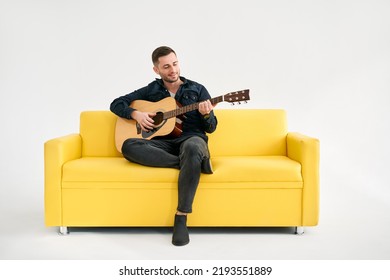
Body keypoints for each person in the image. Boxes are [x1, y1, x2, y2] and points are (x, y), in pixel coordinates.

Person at [110, 46, 218, 246]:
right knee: (128, 146)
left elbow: (210, 128)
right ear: (156, 70)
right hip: (162, 145)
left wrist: (206, 113)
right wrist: (137, 114)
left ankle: (181, 217)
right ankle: (191, 164)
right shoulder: (151, 91)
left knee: (193, 147)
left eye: (175, 64)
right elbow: (116, 103)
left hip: (191, 140)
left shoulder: (197, 89)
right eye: (166, 66)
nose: (173, 70)